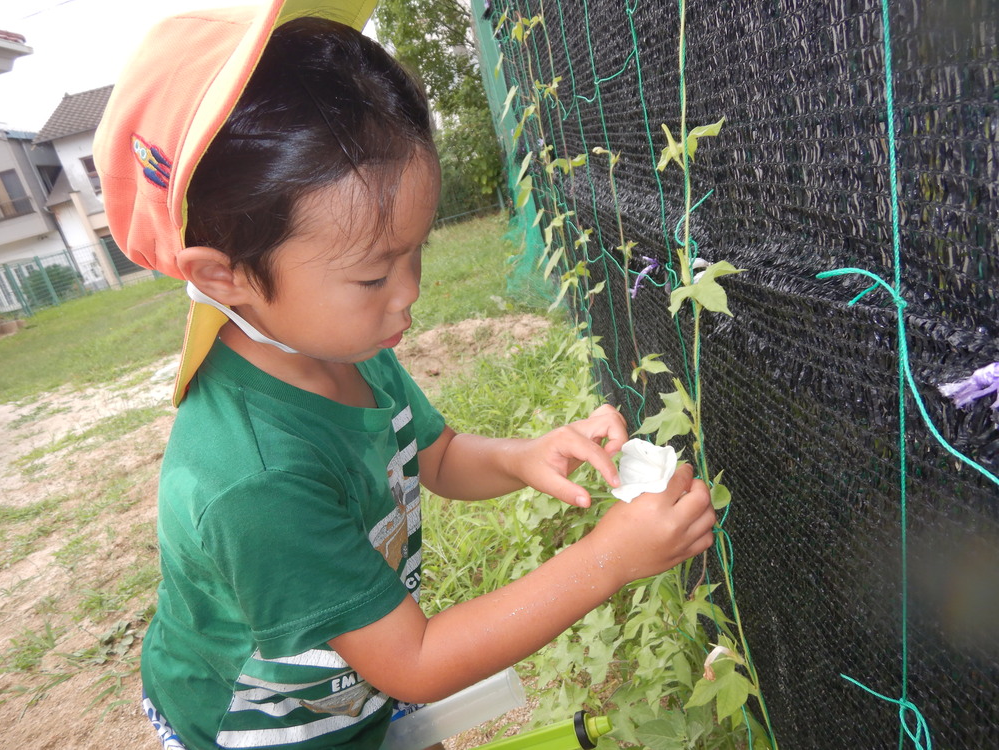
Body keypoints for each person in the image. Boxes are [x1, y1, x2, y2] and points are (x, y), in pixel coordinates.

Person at [93, 2, 716, 748]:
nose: (410, 292)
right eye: (372, 275)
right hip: (261, 729)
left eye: (415, 251)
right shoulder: (253, 479)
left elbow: (438, 453)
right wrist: (607, 560)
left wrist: (526, 455)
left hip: (346, 688)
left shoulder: (340, 345)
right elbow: (414, 662)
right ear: (222, 276)